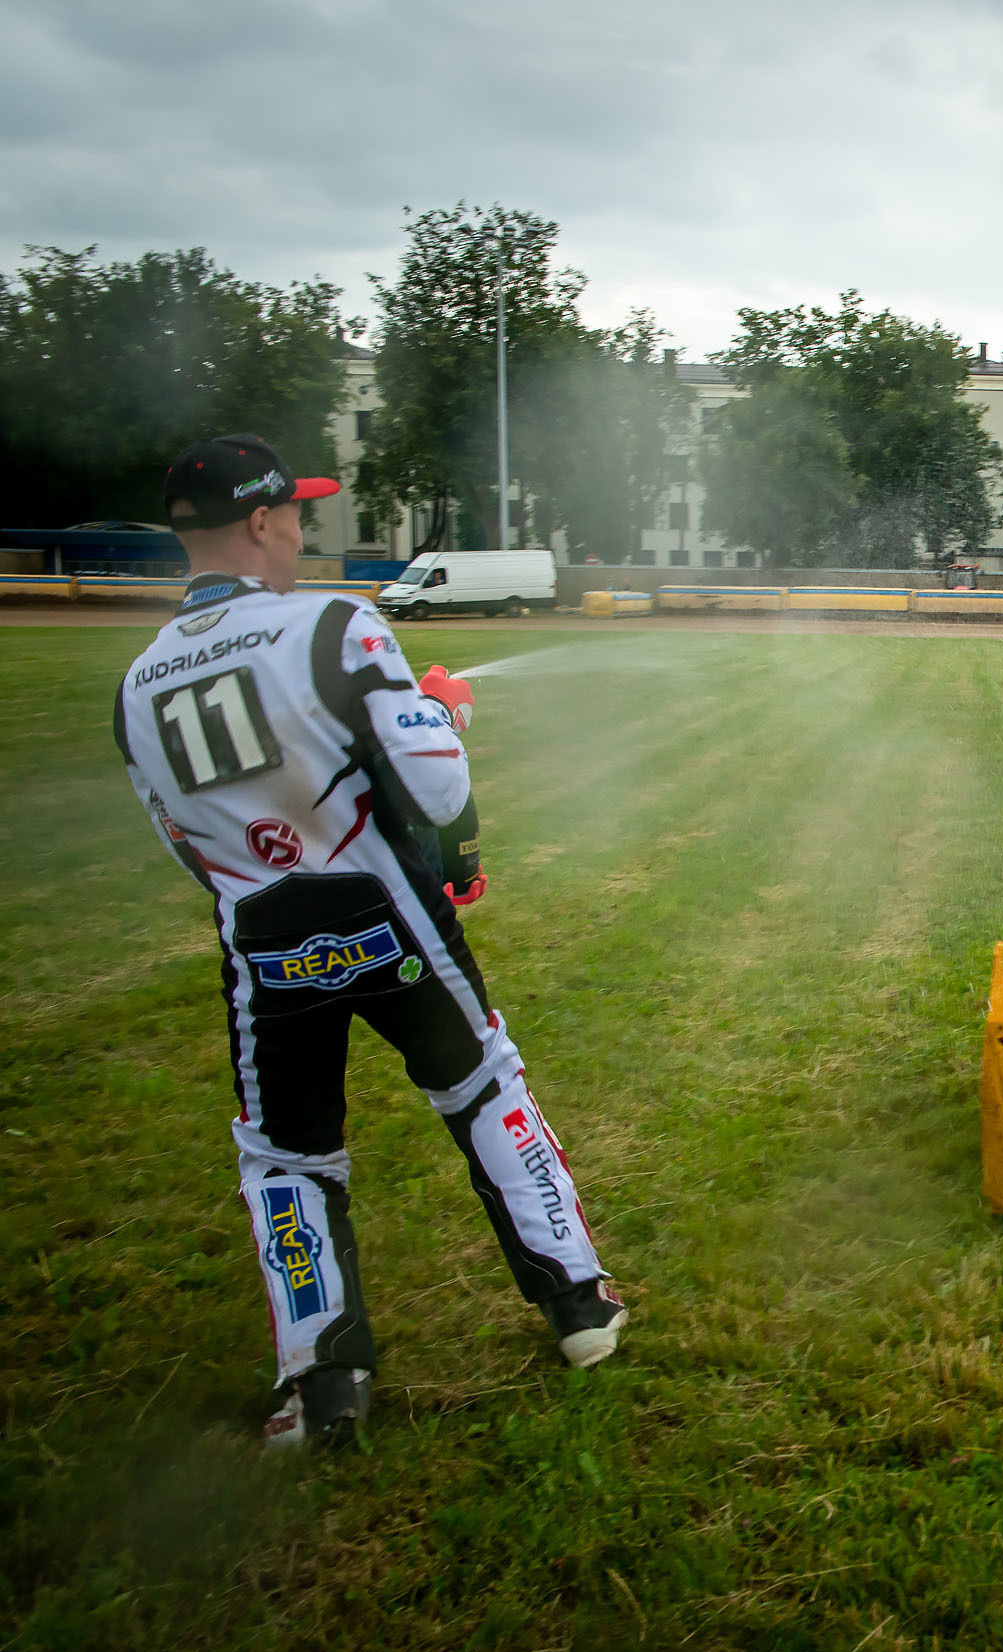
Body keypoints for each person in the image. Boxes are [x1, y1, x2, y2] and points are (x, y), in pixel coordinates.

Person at [115, 435, 623, 1452]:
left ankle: (325, 1381)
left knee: (287, 1156)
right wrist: (443, 711)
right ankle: (579, 1305)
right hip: (387, 915)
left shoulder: (136, 684)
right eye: (297, 515)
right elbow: (434, 788)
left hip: (261, 940)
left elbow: (186, 847)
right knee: (482, 1086)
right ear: (261, 520)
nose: (302, 533)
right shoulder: (334, 625)